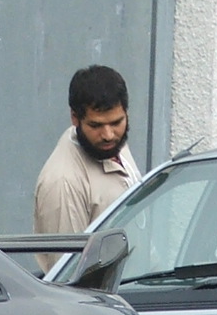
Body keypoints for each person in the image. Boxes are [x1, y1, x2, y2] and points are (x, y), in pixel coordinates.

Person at [33, 65, 142, 270]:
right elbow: (69, 273)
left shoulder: (112, 146)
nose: (108, 135)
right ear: (75, 118)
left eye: (116, 122)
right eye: (96, 125)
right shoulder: (63, 182)